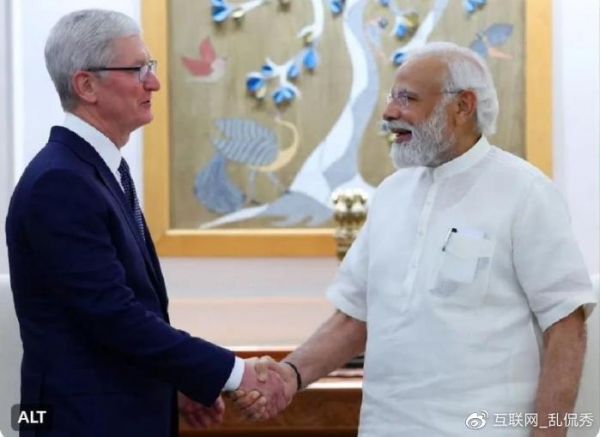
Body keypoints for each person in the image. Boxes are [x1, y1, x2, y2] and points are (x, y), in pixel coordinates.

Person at [233, 42, 598, 436]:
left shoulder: (525, 192)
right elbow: (354, 318)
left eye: (407, 99)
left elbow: (566, 326)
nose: (389, 112)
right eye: (392, 98)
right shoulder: (391, 194)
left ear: (463, 106)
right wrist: (291, 374)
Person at [5, 9, 287, 436]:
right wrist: (233, 373)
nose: (153, 82)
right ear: (86, 85)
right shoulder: (60, 182)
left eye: (149, 67)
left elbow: (126, 315)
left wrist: (173, 382)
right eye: (137, 69)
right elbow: (113, 315)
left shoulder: (100, 170)